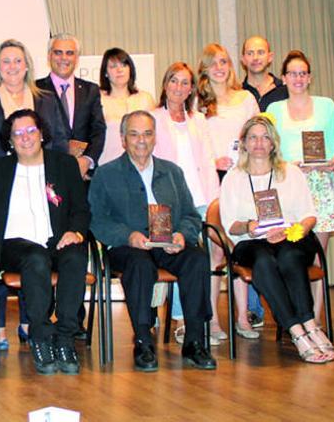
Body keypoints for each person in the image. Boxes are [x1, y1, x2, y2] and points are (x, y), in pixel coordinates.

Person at [89, 110, 216, 372]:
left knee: (196, 260)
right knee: (140, 265)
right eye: (134, 134)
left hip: (168, 243)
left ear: (155, 137)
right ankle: (144, 341)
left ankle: (194, 340)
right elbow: (97, 220)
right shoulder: (106, 174)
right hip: (127, 246)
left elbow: (191, 216)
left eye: (147, 133)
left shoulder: (172, 172)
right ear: (123, 139)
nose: (141, 140)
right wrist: (128, 235)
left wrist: (182, 234)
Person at [0, 109, 90, 376]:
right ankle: (39, 335)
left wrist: (76, 232)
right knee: (35, 257)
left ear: (41, 134)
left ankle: (64, 336)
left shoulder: (64, 165)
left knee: (75, 256)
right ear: (10, 141)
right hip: (14, 246)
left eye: (30, 131)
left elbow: (81, 209)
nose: (25, 138)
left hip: (56, 240)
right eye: (18, 133)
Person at [220, 115, 334, 363]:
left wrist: (295, 230)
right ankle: (297, 330)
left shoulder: (291, 172)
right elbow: (230, 224)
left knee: (289, 255)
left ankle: (310, 324)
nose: (259, 143)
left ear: (273, 143)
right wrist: (252, 226)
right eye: (253, 137)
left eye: (265, 137)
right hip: (252, 241)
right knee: (262, 261)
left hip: (292, 237)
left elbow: (309, 216)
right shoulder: (233, 178)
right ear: (244, 143)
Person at [149, 63, 251, 341]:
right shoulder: (153, 118)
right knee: (182, 257)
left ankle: (210, 319)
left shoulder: (198, 120)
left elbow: (207, 160)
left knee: (213, 257)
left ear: (192, 88)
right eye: (174, 81)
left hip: (204, 197)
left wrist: (216, 200)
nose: (179, 87)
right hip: (169, 203)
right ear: (165, 84)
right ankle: (182, 320)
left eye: (185, 83)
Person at [267, 50, 334, 326]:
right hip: (289, 188)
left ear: (309, 77)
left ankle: (317, 319)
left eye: (303, 73)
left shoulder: (326, 106)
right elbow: (269, 151)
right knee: (290, 252)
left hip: (321, 188)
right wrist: (289, 164)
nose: (298, 78)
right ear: (284, 78)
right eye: (292, 73)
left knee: (316, 258)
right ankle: (294, 317)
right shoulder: (273, 111)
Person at [197, 42, 264, 333]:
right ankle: (212, 320)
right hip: (213, 181)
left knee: (241, 248)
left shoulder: (246, 98)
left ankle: (242, 317)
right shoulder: (197, 102)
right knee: (215, 253)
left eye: (223, 61)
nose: (219, 67)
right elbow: (194, 145)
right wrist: (213, 160)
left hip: (243, 181)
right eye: (213, 63)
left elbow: (259, 136)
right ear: (204, 68)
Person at [0, 38, 69, 183]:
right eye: (6, 61)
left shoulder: (47, 99)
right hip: (0, 181)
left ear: (27, 65)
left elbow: (59, 143)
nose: (12, 66)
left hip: (43, 179)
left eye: (18, 61)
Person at [35, 33, 106, 178]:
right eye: (58, 52)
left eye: (70, 53)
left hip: (83, 174)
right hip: (47, 172)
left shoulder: (90, 90)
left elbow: (98, 130)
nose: (64, 58)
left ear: (77, 58)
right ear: (49, 56)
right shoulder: (35, 90)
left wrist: (87, 161)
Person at [98, 47, 155, 164]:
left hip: (143, 165)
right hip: (109, 165)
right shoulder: (98, 100)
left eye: (124, 65)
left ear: (130, 69)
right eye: (113, 66)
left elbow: (154, 135)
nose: (119, 70)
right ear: (105, 73)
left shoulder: (145, 98)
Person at [240, 36, 289, 113]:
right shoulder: (238, 93)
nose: (255, 58)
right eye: (250, 53)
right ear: (243, 59)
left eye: (260, 52)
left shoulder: (286, 90)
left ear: (270, 57)